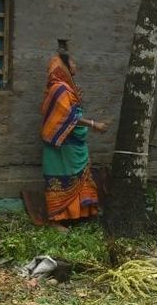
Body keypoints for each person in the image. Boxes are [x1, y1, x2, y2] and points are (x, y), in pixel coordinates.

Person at [39, 52, 109, 229]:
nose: (75, 65)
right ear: (65, 67)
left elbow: (72, 111)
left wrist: (78, 100)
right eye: (73, 62)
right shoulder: (59, 89)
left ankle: (81, 215)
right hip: (62, 147)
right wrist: (94, 124)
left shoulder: (67, 89)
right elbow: (67, 117)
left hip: (74, 145)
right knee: (61, 180)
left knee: (82, 177)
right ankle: (56, 220)